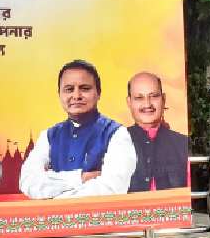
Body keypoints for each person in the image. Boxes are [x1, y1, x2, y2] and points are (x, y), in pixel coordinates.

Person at [19, 59, 136, 199]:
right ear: (60, 94)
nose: (76, 96)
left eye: (84, 88)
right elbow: (28, 182)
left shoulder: (116, 134)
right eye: (69, 89)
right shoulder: (49, 136)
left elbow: (111, 189)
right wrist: (79, 178)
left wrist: (52, 188)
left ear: (98, 93)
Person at [125, 72, 189, 192]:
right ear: (129, 102)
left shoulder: (183, 144)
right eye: (139, 98)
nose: (147, 104)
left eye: (154, 96)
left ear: (163, 99)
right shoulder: (114, 144)